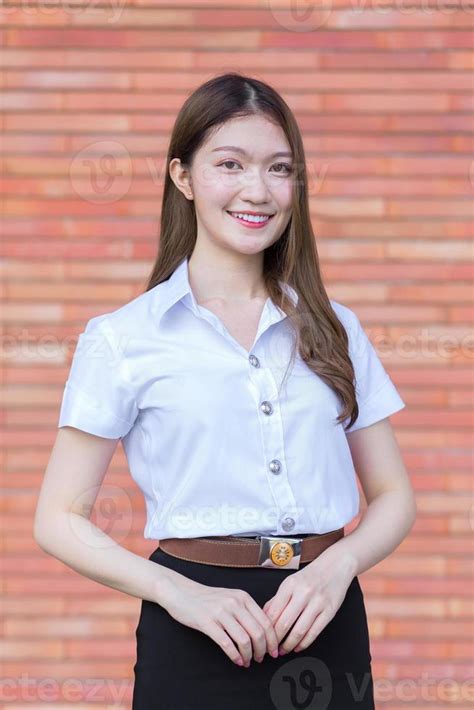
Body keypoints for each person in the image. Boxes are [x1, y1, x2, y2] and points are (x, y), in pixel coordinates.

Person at [34, 72, 417, 710]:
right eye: (229, 164)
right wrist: (176, 591)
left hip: (325, 618)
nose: (256, 190)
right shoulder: (123, 338)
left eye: (278, 168)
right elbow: (57, 518)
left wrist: (338, 567)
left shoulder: (336, 327)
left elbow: (395, 496)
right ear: (182, 177)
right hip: (193, 628)